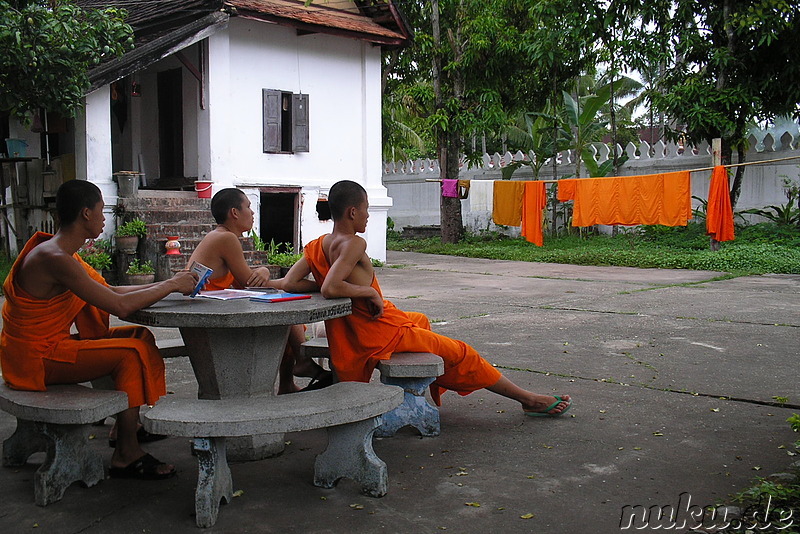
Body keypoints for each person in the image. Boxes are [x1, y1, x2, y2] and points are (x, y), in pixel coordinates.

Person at [283, 180, 572, 416]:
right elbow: (333, 287)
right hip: (377, 332)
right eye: (366, 209)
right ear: (352, 213)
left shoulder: (317, 245)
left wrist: (268, 280)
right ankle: (527, 398)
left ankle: (417, 388)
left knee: (420, 320)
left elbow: (291, 282)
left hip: (351, 332)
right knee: (462, 353)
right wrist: (368, 291)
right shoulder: (355, 242)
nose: (369, 216)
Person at [0, 180, 197, 480]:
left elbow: (108, 290)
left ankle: (126, 426)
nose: (104, 218)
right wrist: (170, 284)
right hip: (36, 361)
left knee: (139, 336)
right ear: (85, 214)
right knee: (131, 353)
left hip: (46, 350)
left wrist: (171, 287)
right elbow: (118, 306)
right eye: (101, 211)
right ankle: (126, 453)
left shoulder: (63, 254)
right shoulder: (54, 259)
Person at [186, 188, 332, 394]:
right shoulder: (225, 239)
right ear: (234, 213)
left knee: (283, 313)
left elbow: (247, 282)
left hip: (212, 308)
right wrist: (265, 272)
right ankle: (302, 362)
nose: (253, 213)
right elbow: (251, 282)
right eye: (248, 207)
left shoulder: (221, 236)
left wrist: (266, 274)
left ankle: (289, 382)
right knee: (283, 310)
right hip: (209, 314)